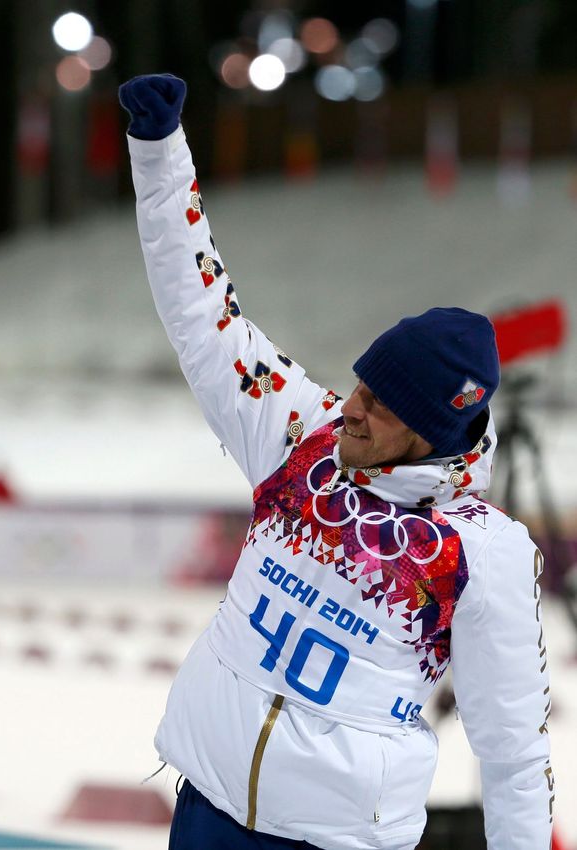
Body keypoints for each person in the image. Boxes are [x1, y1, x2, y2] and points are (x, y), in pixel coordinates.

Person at [119, 74, 554, 850]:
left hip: (337, 840)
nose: (351, 407)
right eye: (361, 382)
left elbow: (513, 754)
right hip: (206, 812)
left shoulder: (480, 552)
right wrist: (160, 157)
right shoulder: (300, 435)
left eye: (381, 405)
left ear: (431, 434)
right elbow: (203, 311)